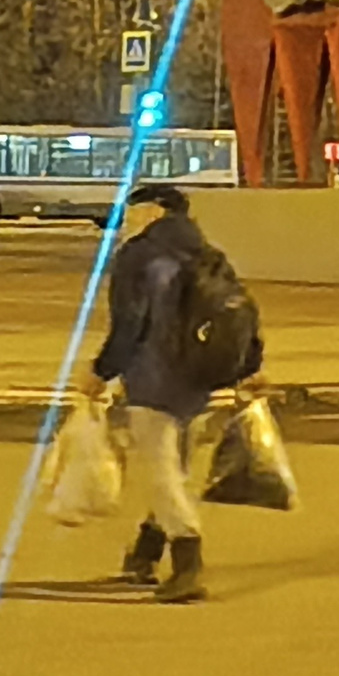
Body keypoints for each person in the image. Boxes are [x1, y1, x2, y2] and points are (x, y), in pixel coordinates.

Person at [87, 181, 263, 603]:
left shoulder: (140, 256)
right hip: (200, 378)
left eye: (135, 210)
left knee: (163, 471)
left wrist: (101, 371)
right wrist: (250, 369)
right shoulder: (207, 253)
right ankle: (145, 554)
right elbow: (241, 315)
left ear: (155, 212)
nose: (129, 219)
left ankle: (188, 563)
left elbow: (130, 324)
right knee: (174, 466)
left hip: (153, 378)